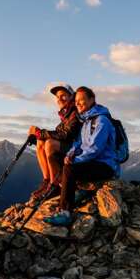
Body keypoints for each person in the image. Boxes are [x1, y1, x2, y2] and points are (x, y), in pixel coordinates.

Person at [44, 86, 120, 226]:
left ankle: (65, 212)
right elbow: (77, 143)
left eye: (81, 100)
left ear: (91, 100)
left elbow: (95, 149)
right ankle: (72, 190)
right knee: (55, 157)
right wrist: (69, 155)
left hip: (105, 165)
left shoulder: (101, 121)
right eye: (76, 100)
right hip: (90, 162)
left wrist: (75, 160)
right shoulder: (86, 121)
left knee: (69, 169)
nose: (78, 103)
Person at [28, 83, 81, 202]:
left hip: (77, 149)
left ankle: (54, 185)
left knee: (50, 143)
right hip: (70, 146)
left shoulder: (75, 112)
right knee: (41, 141)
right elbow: (59, 132)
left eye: (63, 95)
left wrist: (40, 132)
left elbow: (66, 135)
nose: (59, 99)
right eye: (57, 97)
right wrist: (38, 135)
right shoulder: (66, 113)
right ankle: (47, 181)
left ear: (71, 96)